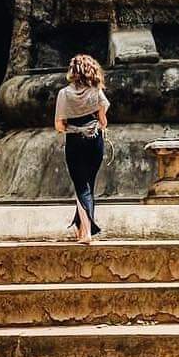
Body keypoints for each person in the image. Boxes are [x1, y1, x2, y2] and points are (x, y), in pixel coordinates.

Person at [54, 54, 110, 243]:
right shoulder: (96, 92)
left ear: (73, 72)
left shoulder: (64, 94)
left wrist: (72, 125)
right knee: (88, 186)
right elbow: (103, 122)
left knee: (81, 187)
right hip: (95, 141)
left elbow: (59, 125)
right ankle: (81, 228)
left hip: (75, 142)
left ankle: (86, 232)